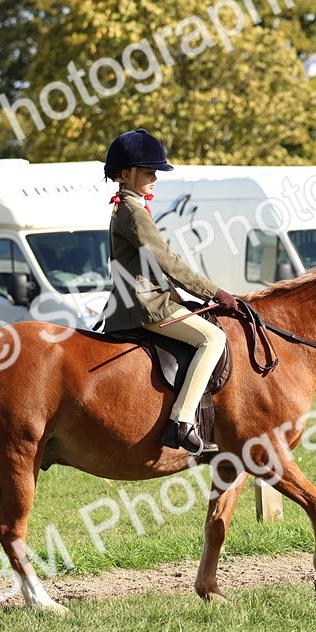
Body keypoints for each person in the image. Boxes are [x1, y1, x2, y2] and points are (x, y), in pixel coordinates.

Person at [101, 129, 239, 456]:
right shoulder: (133, 211)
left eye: (156, 172)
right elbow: (166, 260)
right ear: (126, 175)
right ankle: (182, 421)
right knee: (213, 338)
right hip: (146, 305)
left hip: (135, 300)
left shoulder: (125, 206)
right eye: (149, 172)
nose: (155, 178)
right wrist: (214, 292)